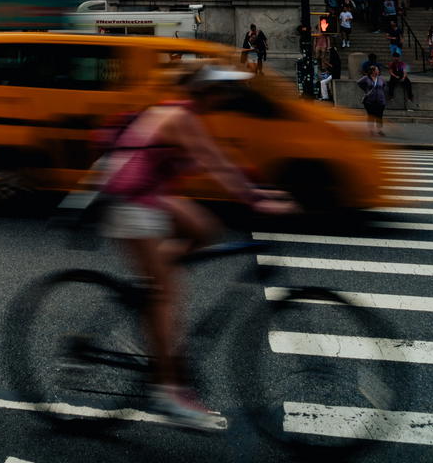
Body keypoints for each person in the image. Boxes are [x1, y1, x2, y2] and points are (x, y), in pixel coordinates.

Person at [98, 63, 296, 431]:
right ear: (206, 93)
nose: (228, 98)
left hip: (149, 195)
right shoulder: (181, 118)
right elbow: (216, 165)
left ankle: (160, 270)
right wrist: (258, 200)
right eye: (222, 92)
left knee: (205, 227)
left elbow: (224, 163)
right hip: (131, 201)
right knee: (168, 297)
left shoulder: (186, 115)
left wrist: (259, 191)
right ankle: (168, 391)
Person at [358, 64, 387, 136]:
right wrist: (366, 90)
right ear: (373, 71)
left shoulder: (381, 78)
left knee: (379, 116)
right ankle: (371, 130)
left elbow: (384, 85)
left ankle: (379, 130)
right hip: (369, 101)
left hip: (380, 100)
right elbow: (359, 82)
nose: (378, 71)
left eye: (378, 70)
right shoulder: (366, 78)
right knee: (371, 116)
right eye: (377, 70)